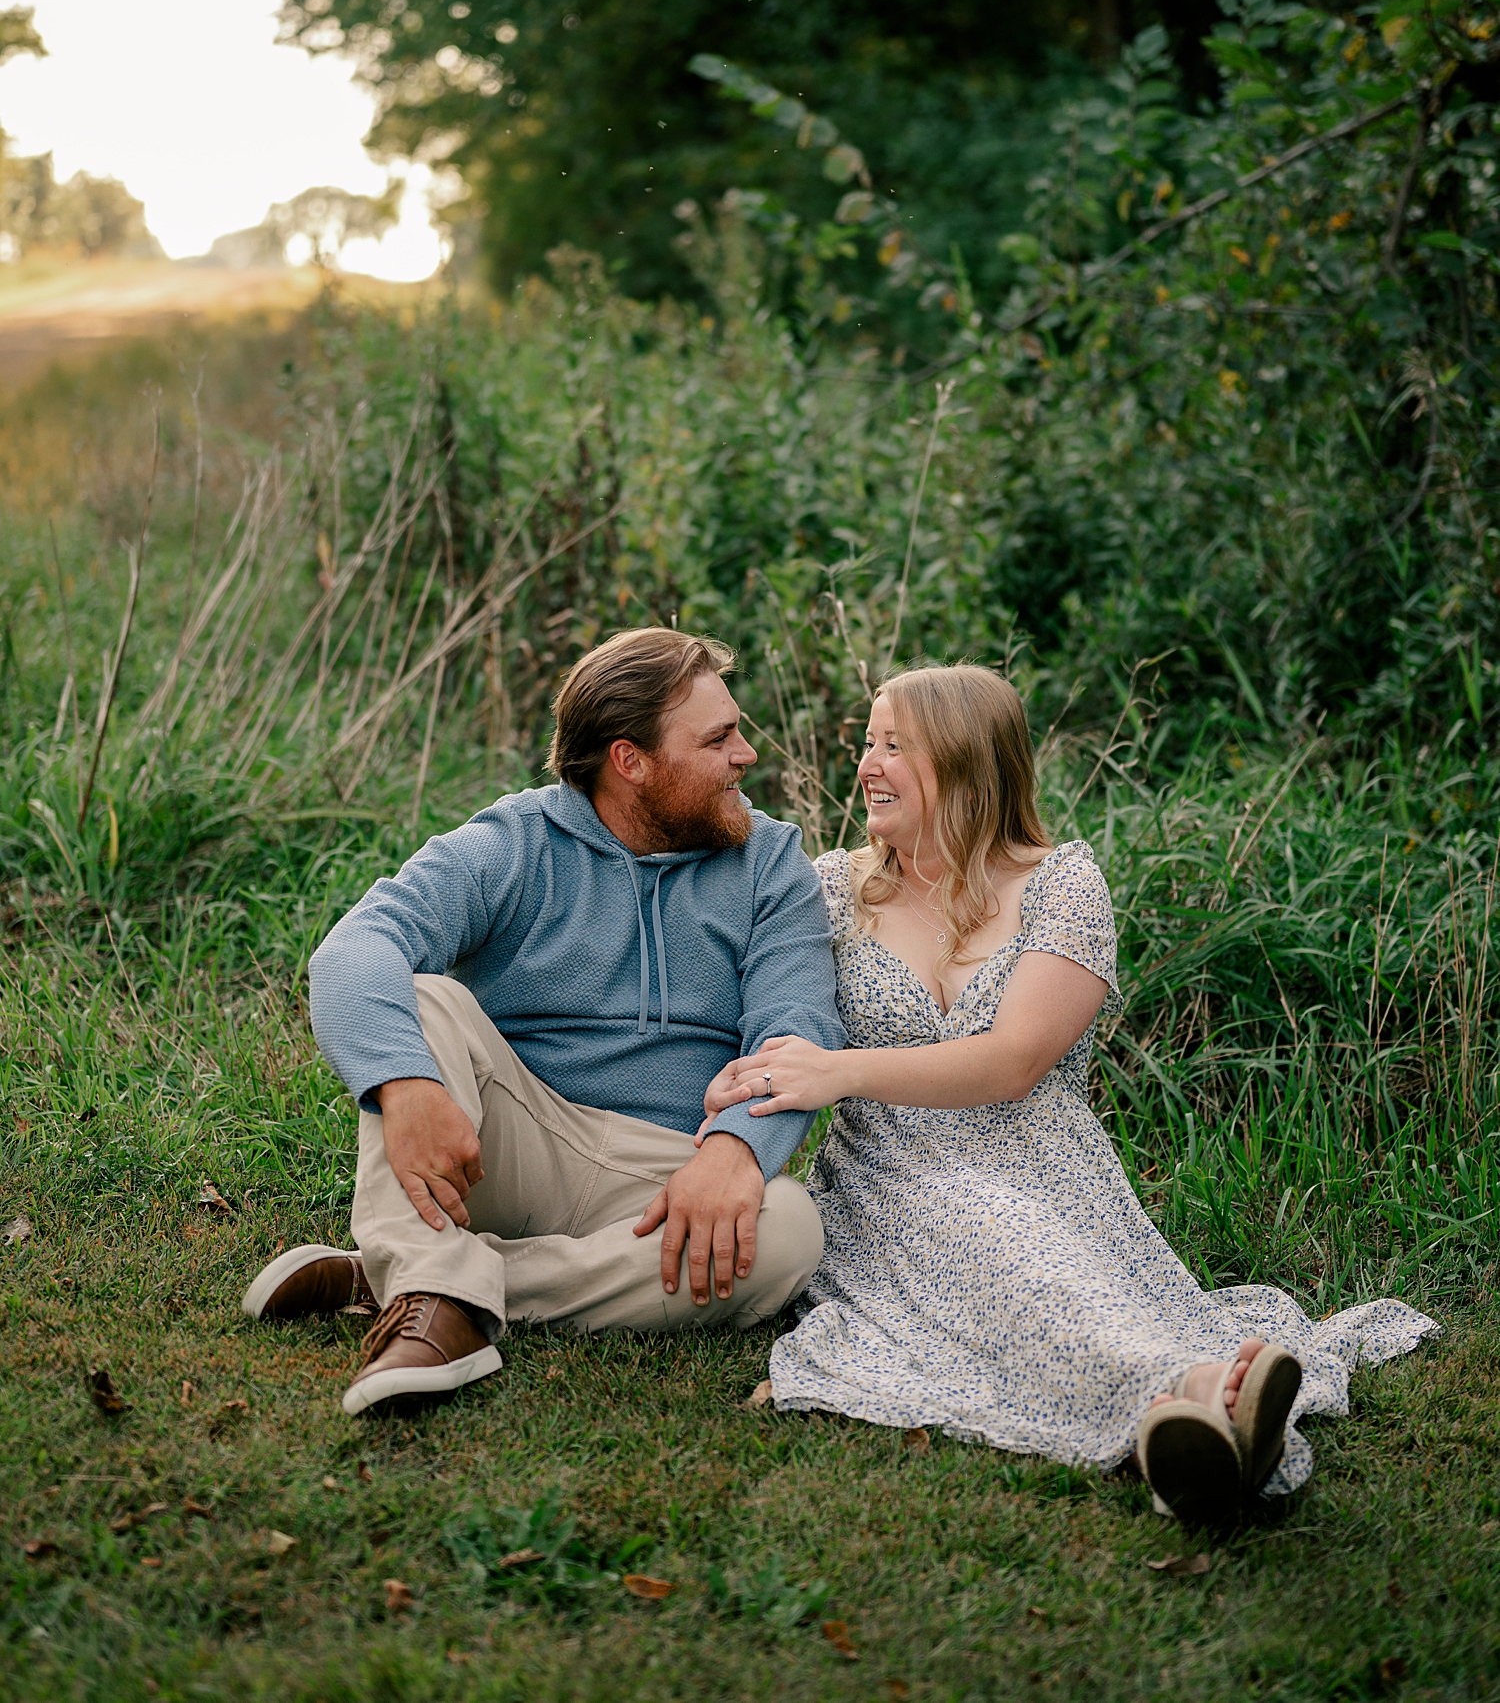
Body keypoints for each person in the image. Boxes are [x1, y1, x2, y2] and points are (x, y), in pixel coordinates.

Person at [701, 665, 1436, 1528]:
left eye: (895, 746)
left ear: (969, 762)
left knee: (1054, 1282)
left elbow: (1014, 1061)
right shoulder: (831, 889)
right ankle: (1198, 1397)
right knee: (1006, 1264)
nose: (867, 764)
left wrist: (843, 1071)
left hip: (1051, 1168)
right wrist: (738, 1071)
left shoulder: (1062, 886)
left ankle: (1190, 1427)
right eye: (868, 742)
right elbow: (770, 1002)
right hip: (888, 1176)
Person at [240, 627, 840, 1416]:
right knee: (428, 1000)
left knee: (789, 1228)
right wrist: (406, 1083)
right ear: (631, 761)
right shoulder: (516, 842)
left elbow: (795, 1028)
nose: (747, 756)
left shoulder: (769, 863)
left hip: (667, 1171)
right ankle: (430, 1278)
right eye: (719, 738)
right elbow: (358, 947)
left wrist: (734, 1150)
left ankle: (414, 1277)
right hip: (510, 1148)